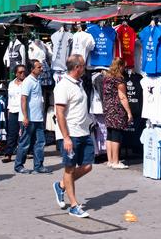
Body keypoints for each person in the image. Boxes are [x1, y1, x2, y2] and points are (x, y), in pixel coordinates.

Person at [52, 54, 94, 218]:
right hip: (71, 134)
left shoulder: (79, 84)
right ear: (77, 68)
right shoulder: (63, 86)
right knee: (69, 169)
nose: (85, 68)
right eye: (83, 65)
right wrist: (66, 137)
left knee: (87, 166)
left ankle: (61, 185)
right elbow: (60, 113)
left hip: (84, 132)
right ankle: (74, 206)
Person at [14, 60, 50, 174]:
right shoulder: (28, 82)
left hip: (37, 118)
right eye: (39, 67)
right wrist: (25, 117)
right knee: (25, 143)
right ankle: (19, 165)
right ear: (32, 69)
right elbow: (23, 99)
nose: (41, 69)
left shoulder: (37, 81)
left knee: (40, 142)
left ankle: (38, 166)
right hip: (29, 119)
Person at [102, 58, 133, 169]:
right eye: (123, 66)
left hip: (107, 108)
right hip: (116, 109)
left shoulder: (106, 78)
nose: (124, 69)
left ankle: (110, 160)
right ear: (120, 66)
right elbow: (122, 97)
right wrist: (129, 112)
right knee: (116, 135)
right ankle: (116, 161)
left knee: (110, 134)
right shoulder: (119, 79)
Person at [2, 64, 25, 163]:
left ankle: (25, 153)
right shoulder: (11, 84)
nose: (22, 74)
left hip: (23, 111)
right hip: (13, 110)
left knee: (24, 133)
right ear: (15, 73)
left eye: (24, 72)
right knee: (12, 133)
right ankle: (9, 154)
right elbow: (10, 99)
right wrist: (8, 111)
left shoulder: (27, 83)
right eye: (20, 72)